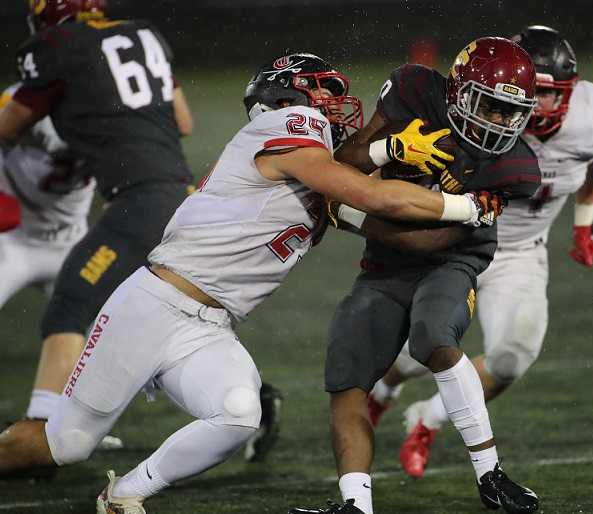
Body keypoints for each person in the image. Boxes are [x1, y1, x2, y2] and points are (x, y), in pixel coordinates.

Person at [0, 52, 503, 513]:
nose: (334, 103)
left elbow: (370, 207)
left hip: (210, 324)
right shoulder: (289, 124)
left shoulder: (310, 160)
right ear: (287, 95)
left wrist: (400, 167)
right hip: (155, 304)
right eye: (323, 90)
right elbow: (373, 198)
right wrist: (467, 206)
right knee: (64, 445)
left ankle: (125, 495)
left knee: (239, 414)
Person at [289, 37, 543, 514]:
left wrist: (355, 214)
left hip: (451, 258)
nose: (500, 123)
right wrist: (391, 148)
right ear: (460, 92)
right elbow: (348, 162)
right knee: (347, 372)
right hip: (384, 265)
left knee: (433, 336)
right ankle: (355, 505)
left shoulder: (515, 166)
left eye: (511, 113)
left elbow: (428, 242)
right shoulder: (414, 89)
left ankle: (491, 475)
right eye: (490, 106)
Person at [367, 25, 593, 482]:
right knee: (429, 343)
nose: (542, 108)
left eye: (554, 95)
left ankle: (428, 418)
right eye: (534, 94)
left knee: (512, 356)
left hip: (522, 251)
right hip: (457, 241)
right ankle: (384, 388)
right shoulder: (476, 109)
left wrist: (584, 223)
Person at [0, 0, 194, 452]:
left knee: (72, 309)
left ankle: (42, 435)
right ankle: (243, 401)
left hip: (129, 208)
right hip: (177, 199)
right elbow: (182, 120)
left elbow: (10, 125)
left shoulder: (55, 50)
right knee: (139, 324)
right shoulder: (143, 32)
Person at [0, 84, 94, 311]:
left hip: (73, 244)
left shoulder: (99, 108)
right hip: (15, 243)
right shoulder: (19, 102)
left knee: (102, 332)